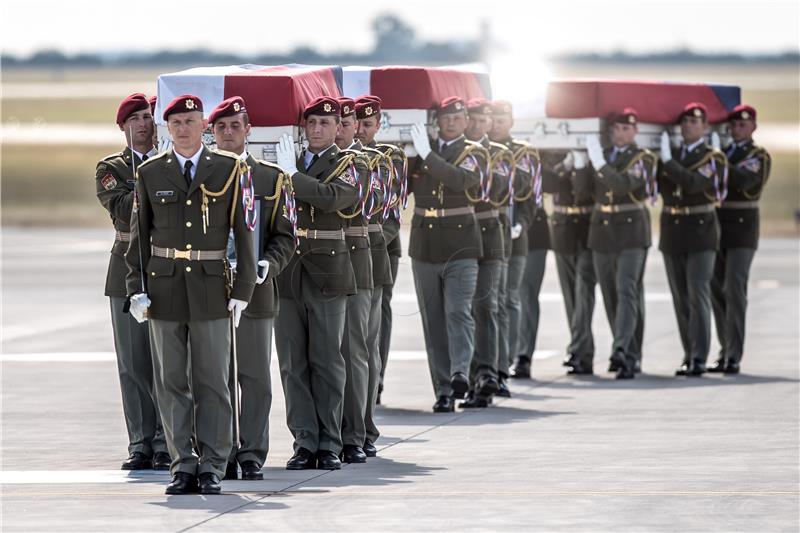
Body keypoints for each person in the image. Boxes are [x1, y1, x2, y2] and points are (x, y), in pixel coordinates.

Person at [126, 94, 256, 495]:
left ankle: (213, 465)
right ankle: (183, 463)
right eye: (176, 122)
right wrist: (136, 289)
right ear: (168, 129)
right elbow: (139, 237)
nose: (184, 128)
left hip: (211, 286)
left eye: (191, 121)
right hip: (164, 289)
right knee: (170, 382)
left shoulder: (231, 169)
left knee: (213, 381)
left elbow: (245, 232)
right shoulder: (150, 172)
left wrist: (245, 287)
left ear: (204, 126)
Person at [208, 96, 295, 480]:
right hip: (208, 290)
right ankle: (219, 450)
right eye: (221, 127)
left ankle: (252, 452)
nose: (228, 133)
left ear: (249, 131)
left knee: (255, 377)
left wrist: (268, 264)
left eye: (235, 126)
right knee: (214, 377)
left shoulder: (272, 178)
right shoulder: (200, 176)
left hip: (256, 291)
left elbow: (285, 236)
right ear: (212, 132)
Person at [273, 96, 360, 471]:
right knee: (293, 364)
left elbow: (333, 198)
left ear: (338, 127)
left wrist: (291, 176)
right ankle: (304, 441)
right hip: (290, 271)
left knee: (327, 361)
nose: (318, 129)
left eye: (326, 123)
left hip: (328, 272)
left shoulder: (349, 164)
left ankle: (330, 442)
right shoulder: (285, 163)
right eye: (312, 123)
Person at [95, 93, 169, 471]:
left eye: (149, 117)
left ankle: (167, 441)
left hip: (167, 269)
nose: (144, 124)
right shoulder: (112, 168)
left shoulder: (172, 164)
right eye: (136, 118)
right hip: (127, 271)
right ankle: (141, 441)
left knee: (168, 363)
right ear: (123, 126)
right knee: (134, 363)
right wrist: (160, 180)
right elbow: (125, 211)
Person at [407, 96, 482, 413]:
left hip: (461, 244)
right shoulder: (421, 150)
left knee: (458, 311)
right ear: (436, 121)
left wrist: (426, 155)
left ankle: (461, 372)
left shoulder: (474, 152)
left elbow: (462, 180)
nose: (450, 122)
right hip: (425, 244)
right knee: (433, 321)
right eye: (444, 117)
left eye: (457, 116)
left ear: (466, 120)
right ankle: (443, 389)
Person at [582, 108, 654, 379]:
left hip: (631, 230)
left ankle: (623, 350)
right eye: (616, 129)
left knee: (627, 291)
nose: (620, 133)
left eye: (626, 128)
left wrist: (599, 163)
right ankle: (627, 352)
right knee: (611, 294)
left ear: (635, 131)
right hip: (602, 230)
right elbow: (583, 191)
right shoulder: (600, 155)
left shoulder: (643, 158)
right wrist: (579, 165)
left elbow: (624, 186)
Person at [657, 102, 725, 377]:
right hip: (673, 229)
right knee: (681, 297)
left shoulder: (714, 157)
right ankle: (688, 353)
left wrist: (669, 163)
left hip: (700, 229)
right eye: (684, 122)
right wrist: (666, 160)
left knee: (697, 294)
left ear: (705, 127)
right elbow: (662, 186)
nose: (688, 126)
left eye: (694, 122)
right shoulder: (670, 154)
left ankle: (699, 356)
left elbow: (694, 184)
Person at [355, 95, 403, 454]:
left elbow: (392, 212)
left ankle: (378, 379)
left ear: (377, 126)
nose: (361, 130)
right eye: (358, 123)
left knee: (376, 324)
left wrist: (370, 243)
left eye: (367, 125)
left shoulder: (389, 158)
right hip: (355, 252)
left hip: (380, 250)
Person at [710, 104, 771, 374]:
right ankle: (725, 349)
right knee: (716, 289)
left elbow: (744, 181)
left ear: (753, 127)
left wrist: (717, 158)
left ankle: (734, 353)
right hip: (717, 227)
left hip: (743, 228)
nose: (737, 130)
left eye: (743, 125)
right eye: (734, 125)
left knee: (734, 287)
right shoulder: (722, 153)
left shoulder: (758, 155)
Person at [335, 97, 377, 464]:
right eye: (345, 123)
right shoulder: (313, 160)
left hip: (356, 261)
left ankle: (359, 430)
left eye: (350, 124)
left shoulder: (368, 163)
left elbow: (353, 205)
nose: (350, 130)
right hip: (319, 263)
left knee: (355, 351)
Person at [460, 97, 505, 408]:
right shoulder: (454, 152)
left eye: (483, 120)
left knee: (485, 304)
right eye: (472, 120)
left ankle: (488, 372)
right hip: (460, 236)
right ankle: (471, 374)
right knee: (464, 310)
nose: (477, 126)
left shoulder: (500, 154)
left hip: (488, 233)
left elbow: (500, 189)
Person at [541, 142, 596, 376]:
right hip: (563, 228)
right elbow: (548, 184)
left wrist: (581, 164)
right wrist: (565, 165)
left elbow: (584, 191)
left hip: (588, 228)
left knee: (584, 291)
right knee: (571, 296)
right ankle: (584, 353)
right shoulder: (550, 151)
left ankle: (577, 349)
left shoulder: (593, 150)